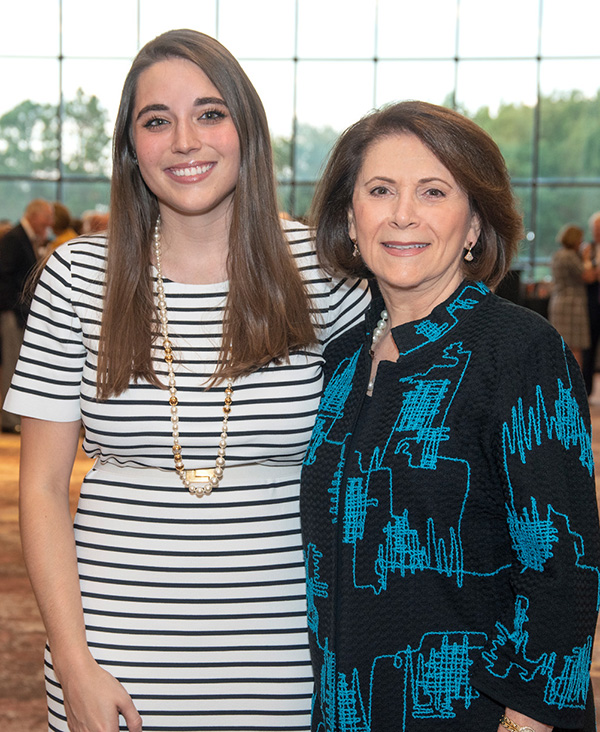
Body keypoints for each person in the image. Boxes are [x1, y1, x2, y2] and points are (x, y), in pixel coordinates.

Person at [5, 30, 369, 732]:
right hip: (112, 661)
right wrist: (75, 666)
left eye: (209, 113)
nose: (184, 141)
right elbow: (44, 489)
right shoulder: (79, 278)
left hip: (285, 659)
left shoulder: (324, 273)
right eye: (156, 120)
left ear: (247, 128)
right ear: (129, 148)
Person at [301, 101, 600, 732]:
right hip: (348, 710)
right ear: (350, 220)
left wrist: (525, 723)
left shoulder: (517, 351)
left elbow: (563, 571)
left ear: (473, 226)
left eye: (433, 191)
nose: (402, 213)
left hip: (478, 715)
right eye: (380, 190)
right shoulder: (342, 360)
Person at [0, 198, 54, 432]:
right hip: (11, 313)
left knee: (15, 365)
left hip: (19, 313)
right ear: (35, 216)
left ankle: (13, 418)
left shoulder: (26, 237)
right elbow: (6, 277)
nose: (49, 223)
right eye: (46, 218)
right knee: (12, 365)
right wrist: (16, 307)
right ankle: (9, 420)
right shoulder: (14, 238)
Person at [548, 224, 591, 370]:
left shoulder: (558, 255)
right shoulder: (571, 256)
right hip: (572, 304)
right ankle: (574, 386)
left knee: (561, 345)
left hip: (558, 300)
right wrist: (586, 258)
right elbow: (588, 276)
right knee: (575, 347)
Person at [581, 211, 600, 394]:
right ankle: (586, 389)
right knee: (589, 346)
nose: (597, 232)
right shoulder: (588, 249)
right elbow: (588, 277)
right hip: (593, 303)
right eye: (595, 229)